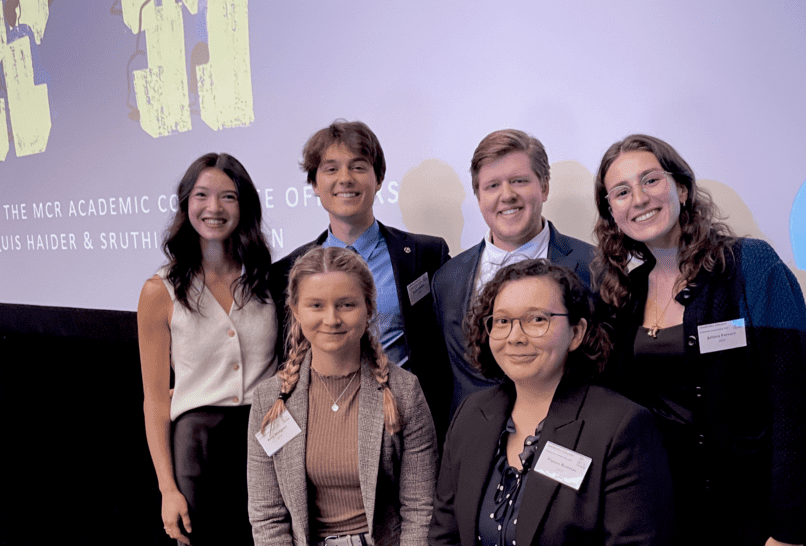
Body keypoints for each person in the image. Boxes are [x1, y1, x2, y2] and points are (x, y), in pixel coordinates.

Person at [592, 134, 806, 546]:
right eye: (622, 191)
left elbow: (801, 404)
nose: (639, 198)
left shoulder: (750, 267)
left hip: (750, 514)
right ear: (613, 213)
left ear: (681, 189)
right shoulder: (624, 293)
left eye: (650, 180)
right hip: (663, 511)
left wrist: (787, 531)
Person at [429, 259, 673, 546]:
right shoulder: (471, 415)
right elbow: (445, 537)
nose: (515, 337)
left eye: (537, 320)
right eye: (503, 321)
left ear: (576, 333)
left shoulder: (620, 428)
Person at [269, 120, 453, 446]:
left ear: (378, 178)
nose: (345, 179)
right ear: (313, 183)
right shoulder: (287, 272)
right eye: (330, 169)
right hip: (325, 429)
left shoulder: (425, 255)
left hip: (411, 426)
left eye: (358, 166)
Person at [249, 246, 438, 546]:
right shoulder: (269, 399)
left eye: (346, 305)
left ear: (369, 308)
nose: (331, 319)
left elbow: (420, 508)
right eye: (316, 306)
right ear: (296, 310)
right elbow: (267, 515)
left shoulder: (405, 391)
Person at [137, 153, 276, 545]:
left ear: (244, 205)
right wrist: (167, 489)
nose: (213, 208)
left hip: (266, 440)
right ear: (186, 204)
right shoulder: (158, 291)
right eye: (202, 195)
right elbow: (154, 401)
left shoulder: (269, 280)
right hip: (198, 449)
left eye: (228, 197)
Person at [432, 129, 595, 416]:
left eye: (519, 181)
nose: (507, 195)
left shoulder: (595, 266)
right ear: (478, 197)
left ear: (544, 187)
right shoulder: (447, 279)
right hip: (476, 446)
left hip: (570, 439)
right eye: (492, 186)